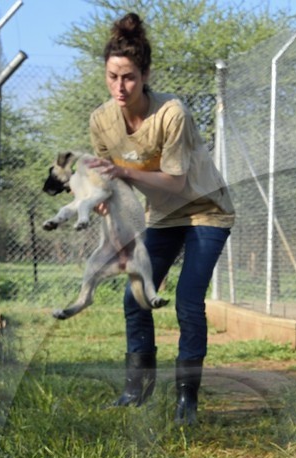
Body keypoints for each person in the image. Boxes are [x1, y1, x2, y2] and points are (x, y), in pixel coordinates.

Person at [89, 12, 233, 425]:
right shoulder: (101, 120)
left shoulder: (172, 114)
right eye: (113, 76)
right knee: (135, 295)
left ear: (146, 74)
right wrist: (104, 196)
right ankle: (137, 387)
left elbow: (175, 180)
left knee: (188, 300)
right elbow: (109, 181)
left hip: (207, 210)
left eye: (129, 77)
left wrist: (123, 174)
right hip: (164, 217)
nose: (120, 86)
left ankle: (186, 398)